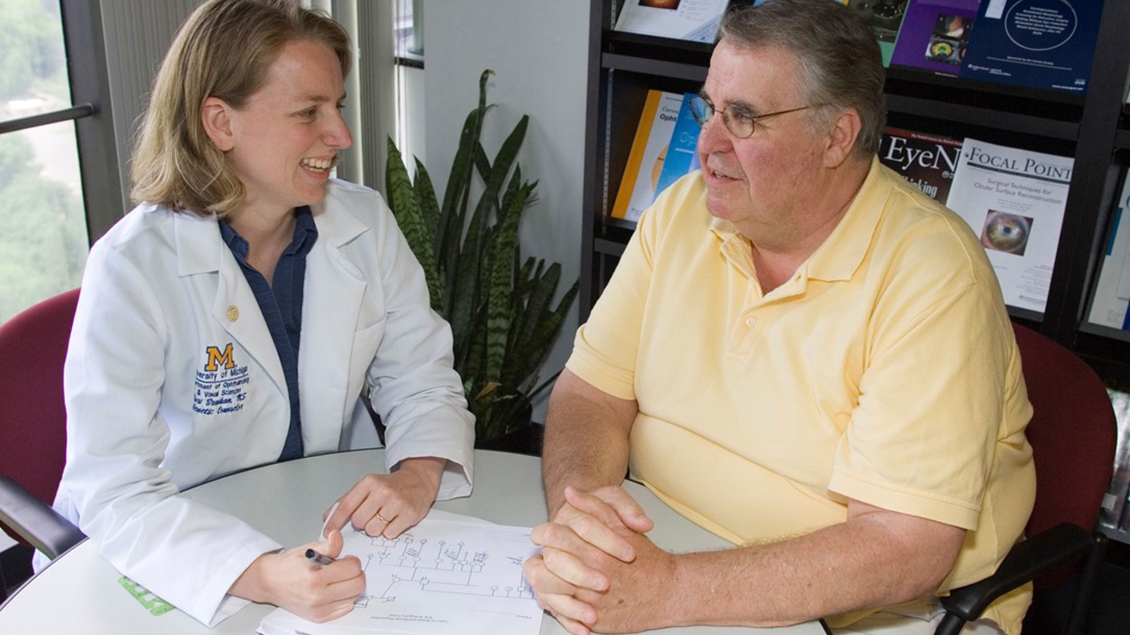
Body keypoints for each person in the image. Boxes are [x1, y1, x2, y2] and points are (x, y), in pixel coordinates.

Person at [522, 1, 1035, 634]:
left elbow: (906, 549)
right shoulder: (682, 213)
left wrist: (669, 589)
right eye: (710, 107)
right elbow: (590, 393)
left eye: (743, 117)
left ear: (837, 137)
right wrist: (587, 519)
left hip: (872, 615)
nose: (708, 142)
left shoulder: (936, 276)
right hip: (670, 557)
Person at [45, 0, 474, 627]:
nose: (342, 136)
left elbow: (421, 376)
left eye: (339, 107)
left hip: (317, 528)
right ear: (220, 122)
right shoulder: (131, 267)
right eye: (308, 113)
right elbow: (116, 491)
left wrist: (418, 472)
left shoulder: (364, 225)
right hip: (175, 553)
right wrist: (259, 573)